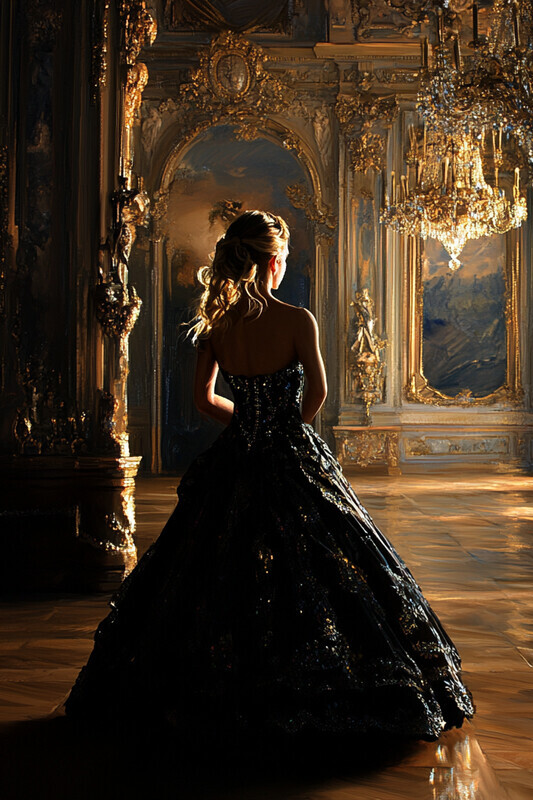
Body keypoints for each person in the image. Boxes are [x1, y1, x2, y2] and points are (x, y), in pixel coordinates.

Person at [62, 210, 475, 748]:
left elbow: (202, 399)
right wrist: (281, 429)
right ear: (273, 262)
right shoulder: (298, 321)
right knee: (329, 564)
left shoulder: (218, 326)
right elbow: (319, 395)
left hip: (236, 454)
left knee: (210, 568)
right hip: (290, 453)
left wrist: (248, 426)